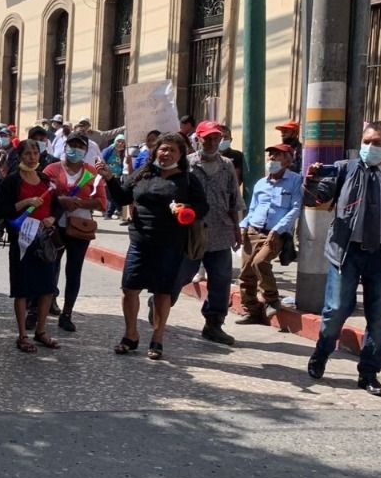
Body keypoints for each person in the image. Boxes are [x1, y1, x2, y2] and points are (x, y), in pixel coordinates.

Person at [304, 121, 381, 396]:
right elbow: (315, 199)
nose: (370, 147)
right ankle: (321, 354)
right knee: (335, 311)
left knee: (379, 319)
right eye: (367, 141)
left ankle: (368, 373)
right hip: (347, 252)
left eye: (378, 143)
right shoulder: (345, 168)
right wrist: (311, 181)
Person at [97, 132, 208, 361]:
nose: (166, 154)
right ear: (156, 150)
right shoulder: (143, 174)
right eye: (163, 149)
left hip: (170, 244)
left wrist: (186, 207)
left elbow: (202, 208)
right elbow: (122, 198)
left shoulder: (187, 180)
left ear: (181, 154)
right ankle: (130, 335)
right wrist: (109, 178)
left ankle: (157, 338)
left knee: (162, 292)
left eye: (172, 150)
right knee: (129, 289)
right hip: (139, 241)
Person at [0, 139, 61, 352]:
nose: (32, 157)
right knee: (22, 288)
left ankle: (41, 331)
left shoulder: (44, 179)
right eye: (27, 154)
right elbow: (1, 211)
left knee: (47, 287)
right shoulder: (12, 181)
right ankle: (23, 335)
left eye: (35, 153)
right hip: (22, 240)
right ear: (20, 156)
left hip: (44, 239)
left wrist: (52, 218)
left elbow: (56, 206)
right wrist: (25, 202)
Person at [180, 121, 242, 346]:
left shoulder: (227, 165)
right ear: (198, 139)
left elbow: (234, 199)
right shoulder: (187, 164)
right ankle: (161, 303)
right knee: (182, 274)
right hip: (192, 231)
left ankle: (214, 324)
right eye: (207, 138)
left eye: (216, 138)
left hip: (221, 231)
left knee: (221, 279)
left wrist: (237, 230)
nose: (213, 142)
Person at [43, 132, 107, 333]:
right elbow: (42, 194)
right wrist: (60, 201)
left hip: (80, 227)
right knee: (49, 267)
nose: (75, 149)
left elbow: (102, 202)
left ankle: (67, 314)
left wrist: (79, 202)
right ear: (65, 146)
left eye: (80, 146)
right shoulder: (51, 169)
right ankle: (42, 309)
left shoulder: (92, 173)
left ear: (86, 150)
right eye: (72, 145)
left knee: (74, 270)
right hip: (54, 226)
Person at [236, 143, 302, 323]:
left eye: (277, 155)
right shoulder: (260, 183)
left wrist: (277, 229)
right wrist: (243, 226)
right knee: (246, 273)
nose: (271, 159)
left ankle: (272, 298)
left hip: (275, 234)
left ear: (288, 161)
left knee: (260, 262)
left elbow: (295, 209)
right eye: (270, 155)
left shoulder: (295, 181)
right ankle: (251, 310)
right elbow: (253, 209)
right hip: (253, 230)